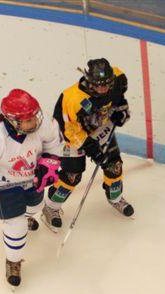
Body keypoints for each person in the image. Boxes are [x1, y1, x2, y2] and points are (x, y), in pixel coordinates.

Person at [0, 89, 62, 287]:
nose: (34, 122)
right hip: (3, 184)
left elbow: (53, 142)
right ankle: (13, 261)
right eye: (28, 120)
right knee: (15, 225)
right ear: (12, 120)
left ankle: (26, 218)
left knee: (35, 207)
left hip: (32, 179)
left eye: (35, 116)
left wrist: (49, 163)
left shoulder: (41, 125)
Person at [41, 58, 134, 232]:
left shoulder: (119, 78)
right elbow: (71, 131)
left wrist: (121, 112)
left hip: (99, 126)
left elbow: (119, 98)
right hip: (69, 135)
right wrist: (94, 151)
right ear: (88, 80)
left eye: (106, 84)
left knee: (114, 166)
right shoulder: (73, 98)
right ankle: (50, 207)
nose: (103, 89)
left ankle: (116, 198)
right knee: (72, 176)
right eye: (98, 85)